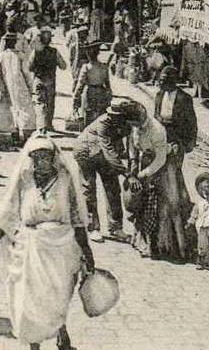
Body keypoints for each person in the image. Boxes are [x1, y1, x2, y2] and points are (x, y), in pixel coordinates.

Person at [0, 134, 95, 350]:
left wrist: (88, 254)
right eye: (36, 157)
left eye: (46, 156)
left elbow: (77, 218)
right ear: (30, 159)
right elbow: (9, 212)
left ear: (54, 158)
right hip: (30, 247)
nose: (41, 162)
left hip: (60, 247)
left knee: (58, 296)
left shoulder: (65, 180)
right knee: (29, 303)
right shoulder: (24, 179)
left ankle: (61, 331)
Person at [73, 101, 136, 242]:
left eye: (117, 115)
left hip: (102, 155)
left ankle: (115, 227)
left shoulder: (125, 124)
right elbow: (109, 151)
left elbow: (129, 146)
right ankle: (92, 228)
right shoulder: (103, 123)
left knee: (113, 188)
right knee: (88, 189)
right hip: (85, 153)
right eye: (111, 114)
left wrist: (132, 166)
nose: (113, 117)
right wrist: (126, 173)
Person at [151, 66, 197, 257]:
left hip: (176, 142)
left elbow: (191, 123)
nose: (160, 82)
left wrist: (186, 144)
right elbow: (154, 118)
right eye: (160, 78)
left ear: (173, 80)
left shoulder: (184, 99)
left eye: (164, 79)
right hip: (161, 141)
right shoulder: (159, 96)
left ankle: (178, 233)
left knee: (173, 181)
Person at [124, 102, 174, 260]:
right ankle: (139, 240)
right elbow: (132, 144)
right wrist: (132, 161)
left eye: (134, 124)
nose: (134, 127)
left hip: (158, 168)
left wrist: (145, 173)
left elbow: (161, 158)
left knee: (154, 207)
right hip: (141, 162)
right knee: (138, 202)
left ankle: (155, 244)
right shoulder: (134, 126)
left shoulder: (157, 130)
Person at [0, 32, 36, 143]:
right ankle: (22, 135)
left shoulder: (2, 55)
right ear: (14, 43)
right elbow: (27, 73)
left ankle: (14, 132)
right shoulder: (20, 55)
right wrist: (30, 87)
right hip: (19, 85)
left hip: (6, 84)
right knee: (23, 108)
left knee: (11, 108)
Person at [28, 27, 67, 132]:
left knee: (40, 103)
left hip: (39, 80)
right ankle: (49, 125)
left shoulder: (35, 52)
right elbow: (64, 66)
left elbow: (29, 67)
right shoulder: (54, 52)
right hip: (50, 80)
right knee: (50, 103)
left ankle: (41, 126)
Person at [73, 42, 113, 127]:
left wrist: (76, 98)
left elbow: (80, 85)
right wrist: (109, 96)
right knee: (101, 118)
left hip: (89, 94)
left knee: (89, 118)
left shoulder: (86, 67)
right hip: (101, 93)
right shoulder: (104, 67)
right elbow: (108, 84)